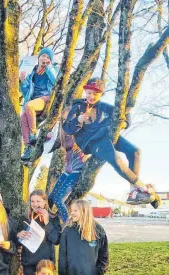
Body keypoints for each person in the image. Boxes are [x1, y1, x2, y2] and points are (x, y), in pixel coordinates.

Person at [63, 78, 159, 208]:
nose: (91, 96)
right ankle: (143, 188)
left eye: (95, 94)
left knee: (135, 152)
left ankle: (133, 192)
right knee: (117, 161)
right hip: (92, 141)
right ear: (85, 91)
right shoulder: (78, 107)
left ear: (101, 94)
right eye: (89, 92)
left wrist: (124, 124)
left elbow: (124, 113)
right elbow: (67, 128)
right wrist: (78, 120)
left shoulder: (104, 107)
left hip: (107, 134)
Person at [47, 106, 88, 223]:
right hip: (68, 169)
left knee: (58, 199)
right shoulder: (63, 135)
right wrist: (47, 137)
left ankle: (68, 223)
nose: (66, 122)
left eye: (69, 119)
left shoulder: (78, 132)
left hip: (77, 169)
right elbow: (51, 145)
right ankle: (52, 217)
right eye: (64, 120)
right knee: (50, 197)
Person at [20, 47, 59, 161]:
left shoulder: (53, 69)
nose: (45, 58)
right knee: (22, 117)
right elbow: (26, 91)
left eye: (48, 57)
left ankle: (33, 134)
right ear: (39, 57)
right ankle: (28, 147)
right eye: (43, 56)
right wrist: (22, 82)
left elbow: (56, 81)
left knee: (29, 106)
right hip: (34, 101)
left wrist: (49, 67)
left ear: (50, 60)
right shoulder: (32, 72)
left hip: (46, 99)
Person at [17, 189, 61, 275]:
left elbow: (56, 240)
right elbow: (17, 241)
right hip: (29, 264)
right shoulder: (25, 218)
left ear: (45, 202)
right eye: (32, 201)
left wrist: (47, 222)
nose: (35, 204)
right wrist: (18, 235)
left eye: (38, 201)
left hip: (46, 264)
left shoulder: (53, 218)